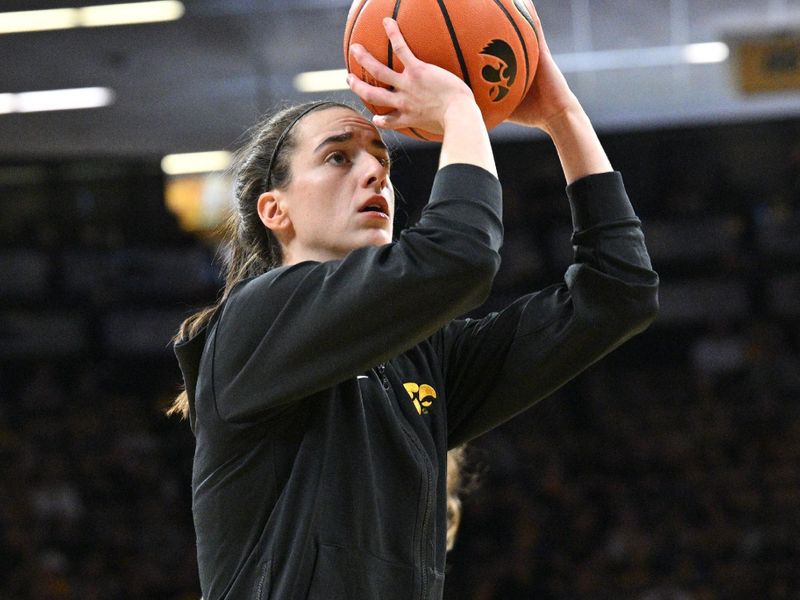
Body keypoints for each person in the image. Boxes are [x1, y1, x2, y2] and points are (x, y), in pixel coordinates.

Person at [170, 7, 659, 600]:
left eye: (381, 155)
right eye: (338, 156)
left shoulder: (421, 358)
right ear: (276, 210)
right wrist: (459, 111)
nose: (376, 170)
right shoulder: (252, 322)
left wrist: (562, 116)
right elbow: (459, 255)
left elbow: (618, 295)